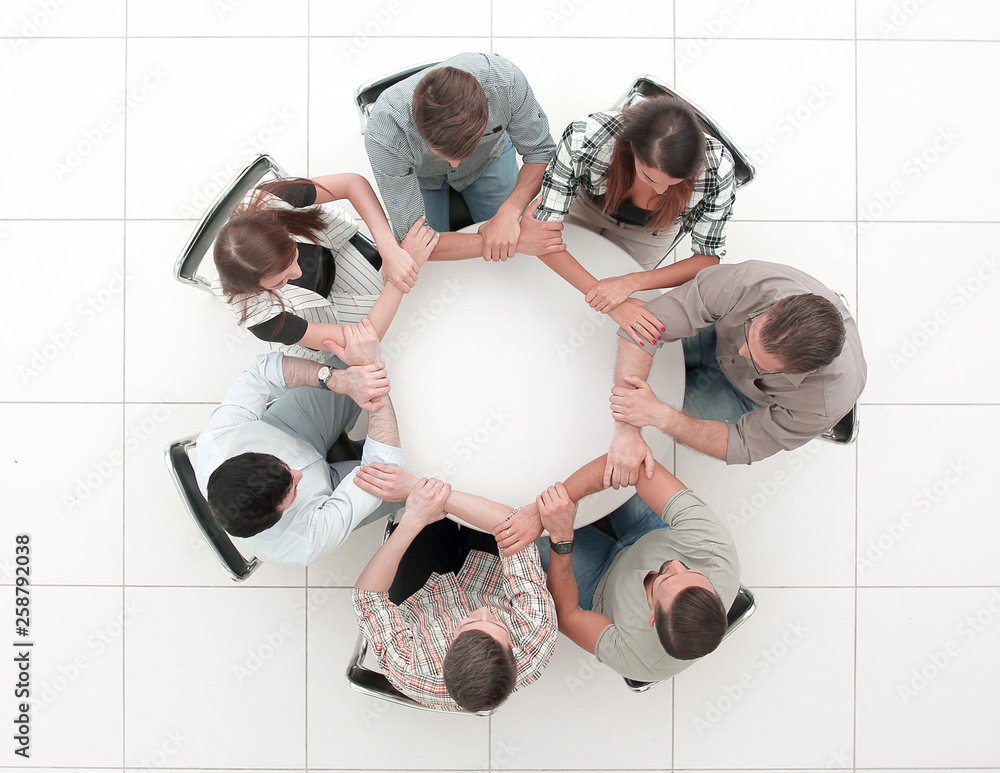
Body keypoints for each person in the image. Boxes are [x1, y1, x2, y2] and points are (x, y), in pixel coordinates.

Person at [604, 260, 867, 480]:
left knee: (647, 431)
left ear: (804, 373)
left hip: (748, 397)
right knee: (605, 375)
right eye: (751, 334)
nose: (741, 352)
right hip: (716, 332)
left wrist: (664, 417)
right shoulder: (749, 283)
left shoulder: (821, 404)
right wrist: (627, 426)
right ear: (773, 308)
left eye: (756, 359)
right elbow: (645, 326)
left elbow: (741, 443)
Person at [524, 96, 737, 347]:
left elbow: (707, 258)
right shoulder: (585, 137)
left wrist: (632, 281)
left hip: (654, 230)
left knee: (602, 322)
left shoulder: (718, 168)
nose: (661, 191)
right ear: (632, 147)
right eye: (649, 177)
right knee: (551, 289)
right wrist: (612, 303)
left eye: (674, 183)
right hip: (588, 204)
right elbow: (540, 237)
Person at [196, 319, 402, 565]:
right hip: (328, 494)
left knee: (352, 356)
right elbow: (384, 467)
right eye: (292, 490)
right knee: (420, 481)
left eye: (282, 464)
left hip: (290, 428)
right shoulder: (305, 541)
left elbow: (262, 372)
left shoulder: (220, 439)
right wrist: (372, 373)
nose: (299, 475)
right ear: (279, 517)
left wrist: (333, 378)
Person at [352, 467, 556, 712]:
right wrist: (429, 493)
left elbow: (367, 597)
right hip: (490, 574)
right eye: (497, 623)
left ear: (448, 650)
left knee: (428, 484)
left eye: (468, 623)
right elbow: (513, 523)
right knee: (486, 483)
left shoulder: (411, 669)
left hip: (422, 596)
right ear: (512, 649)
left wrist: (414, 517)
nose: (484, 613)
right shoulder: (535, 637)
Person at [522, 455, 740, 683]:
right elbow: (633, 463)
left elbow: (568, 615)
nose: (675, 564)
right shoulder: (718, 554)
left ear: (653, 616)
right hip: (648, 533)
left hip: (599, 583)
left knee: (524, 518)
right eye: (692, 571)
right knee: (598, 465)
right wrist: (564, 497)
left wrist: (561, 538)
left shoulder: (638, 660)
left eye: (665, 579)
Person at [212, 173, 439, 363]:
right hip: (311, 315)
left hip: (334, 253)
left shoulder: (270, 201)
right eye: (280, 281)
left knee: (402, 305)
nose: (298, 273)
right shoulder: (261, 318)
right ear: (258, 288)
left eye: (293, 255)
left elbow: (353, 183)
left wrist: (389, 247)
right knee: (396, 329)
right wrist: (405, 264)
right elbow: (363, 341)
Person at [364, 52, 560, 262]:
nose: (456, 164)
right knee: (420, 263)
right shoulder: (384, 134)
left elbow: (541, 151)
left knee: (511, 260)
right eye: (443, 153)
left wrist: (511, 210)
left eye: (467, 149)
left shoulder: (506, 84)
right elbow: (413, 244)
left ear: (487, 107)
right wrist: (511, 241)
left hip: (489, 159)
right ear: (414, 114)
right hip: (421, 177)